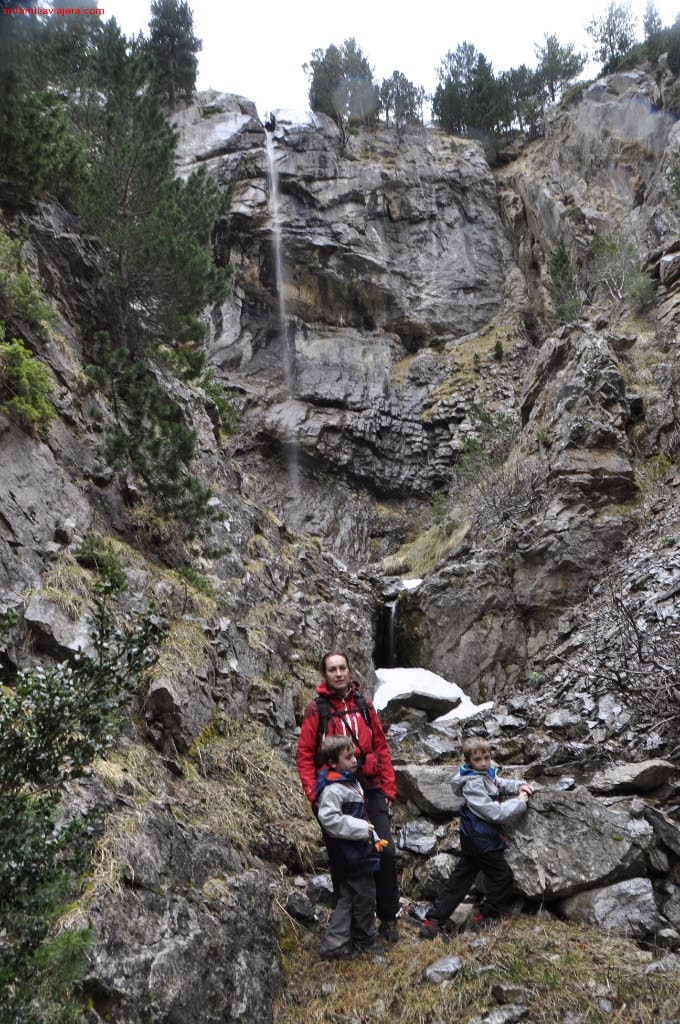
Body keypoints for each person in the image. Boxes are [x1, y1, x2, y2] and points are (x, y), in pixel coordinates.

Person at [296, 650, 400, 943]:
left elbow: (380, 746)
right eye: (332, 669)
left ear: (350, 671)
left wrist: (388, 787)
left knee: (386, 851)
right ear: (325, 675)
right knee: (344, 859)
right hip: (334, 791)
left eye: (342, 668)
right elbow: (305, 754)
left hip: (369, 785)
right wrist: (313, 794)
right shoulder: (317, 710)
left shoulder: (363, 703)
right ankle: (351, 926)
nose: (339, 673)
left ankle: (388, 917)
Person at [418, 735, 533, 938]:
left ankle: (432, 920)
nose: (483, 763)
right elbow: (494, 813)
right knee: (503, 877)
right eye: (478, 760)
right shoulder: (472, 783)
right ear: (468, 761)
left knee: (461, 879)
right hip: (482, 840)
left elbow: (497, 782)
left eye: (487, 758)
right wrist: (520, 801)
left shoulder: (483, 773)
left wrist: (517, 786)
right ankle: (486, 915)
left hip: (473, 837)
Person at [316, 736, 385, 959]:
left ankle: (334, 943)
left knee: (348, 897)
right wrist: (363, 829)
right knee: (365, 897)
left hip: (358, 851)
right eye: (348, 757)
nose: (355, 760)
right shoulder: (333, 789)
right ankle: (365, 941)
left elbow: (361, 818)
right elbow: (330, 820)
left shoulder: (349, 782)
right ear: (333, 763)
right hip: (352, 855)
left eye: (354, 755)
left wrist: (373, 837)